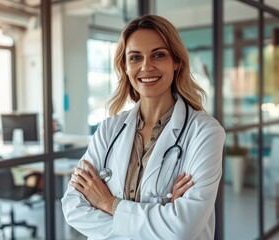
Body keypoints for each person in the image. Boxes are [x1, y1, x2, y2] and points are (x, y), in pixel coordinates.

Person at [61, 14, 225, 240]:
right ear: (125, 67)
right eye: (135, 57)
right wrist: (161, 219)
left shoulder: (205, 132)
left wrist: (108, 204)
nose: (147, 66)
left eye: (158, 55)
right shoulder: (109, 129)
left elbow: (182, 229)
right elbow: (72, 208)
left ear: (176, 62)